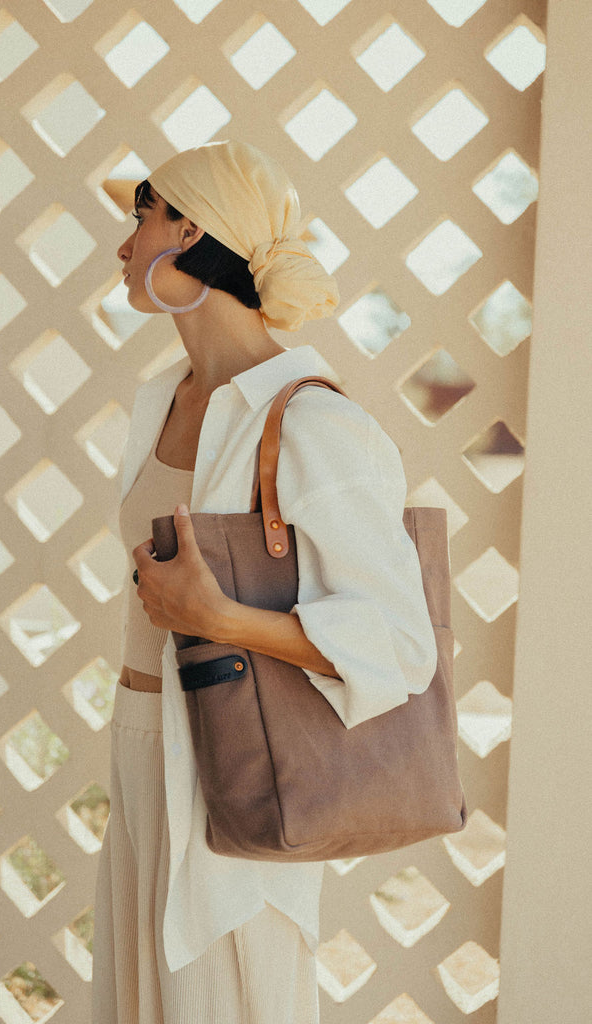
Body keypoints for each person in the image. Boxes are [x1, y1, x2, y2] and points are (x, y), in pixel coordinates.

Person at [91, 139, 438, 1024]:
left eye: (140, 218)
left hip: (230, 764)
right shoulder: (164, 400)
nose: (123, 247)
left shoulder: (315, 424)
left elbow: (399, 648)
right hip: (143, 744)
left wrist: (217, 618)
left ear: (189, 232)